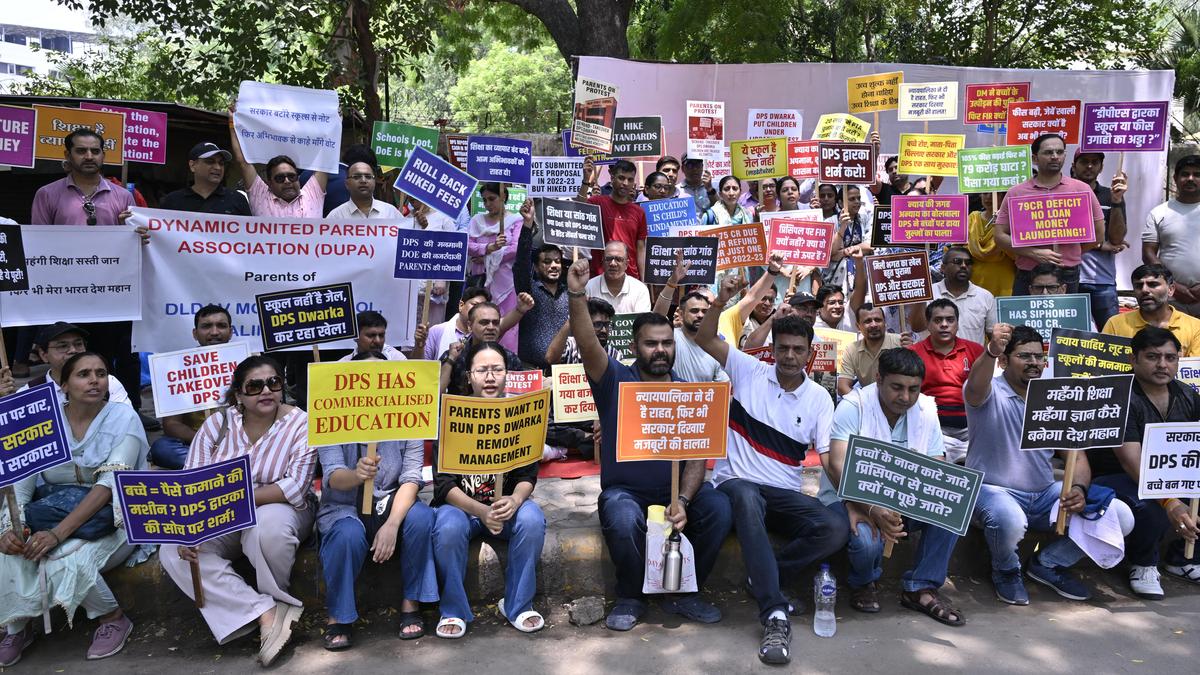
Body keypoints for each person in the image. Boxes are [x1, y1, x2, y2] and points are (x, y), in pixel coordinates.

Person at [565, 258, 732, 631]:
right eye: (651, 343)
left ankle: (685, 594)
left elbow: (696, 459)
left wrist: (683, 501)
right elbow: (588, 344)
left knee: (719, 507)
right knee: (623, 518)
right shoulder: (614, 380)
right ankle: (630, 596)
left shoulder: (689, 392)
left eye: (667, 343)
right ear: (634, 346)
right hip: (625, 492)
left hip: (676, 494)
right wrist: (576, 295)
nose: (660, 350)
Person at [693, 274, 848, 665]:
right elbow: (705, 338)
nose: (790, 356)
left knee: (835, 527)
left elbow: (829, 461)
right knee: (746, 495)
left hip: (784, 494)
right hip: (736, 484)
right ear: (773, 349)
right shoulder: (748, 369)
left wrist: (858, 505)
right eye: (783, 348)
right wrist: (721, 301)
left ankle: (763, 576)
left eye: (798, 349)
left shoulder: (819, 399)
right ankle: (774, 612)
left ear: (810, 353)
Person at [159, 355, 317, 666]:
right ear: (238, 395)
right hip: (221, 511)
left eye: (273, 383)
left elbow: (295, 488)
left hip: (279, 507)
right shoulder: (217, 424)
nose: (266, 391)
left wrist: (235, 498)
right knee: (173, 550)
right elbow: (193, 482)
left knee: (266, 528)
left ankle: (278, 600)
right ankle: (264, 612)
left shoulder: (302, 422)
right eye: (255, 386)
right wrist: (191, 528)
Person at [964, 324, 1133, 605]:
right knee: (1010, 519)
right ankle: (1006, 571)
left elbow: (1076, 456)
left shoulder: (1054, 396)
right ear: (1003, 361)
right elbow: (975, 385)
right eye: (1024, 356)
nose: (1033, 362)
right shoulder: (988, 392)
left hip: (1044, 496)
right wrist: (991, 350)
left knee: (1121, 516)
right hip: (992, 493)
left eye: (1038, 356)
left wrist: (1078, 488)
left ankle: (1048, 563)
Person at [0, 352, 148, 665]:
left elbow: (108, 486)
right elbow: (22, 483)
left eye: (101, 373)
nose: (95, 380)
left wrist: (57, 534)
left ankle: (112, 617)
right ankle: (18, 626)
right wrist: (9, 529)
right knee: (11, 550)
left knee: (66, 556)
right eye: (84, 374)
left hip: (117, 518)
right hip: (54, 510)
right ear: (64, 385)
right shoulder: (43, 421)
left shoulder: (124, 417)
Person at [824, 348, 964, 626]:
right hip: (851, 498)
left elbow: (935, 467)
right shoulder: (853, 405)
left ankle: (921, 588)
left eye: (913, 389)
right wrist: (870, 507)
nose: (906, 397)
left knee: (952, 507)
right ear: (879, 379)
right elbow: (838, 465)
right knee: (866, 541)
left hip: (905, 500)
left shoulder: (926, 409)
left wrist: (915, 499)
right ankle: (863, 582)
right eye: (897, 387)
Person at [317, 350, 437, 649]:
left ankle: (411, 603)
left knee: (422, 518)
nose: (372, 385)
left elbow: (411, 478)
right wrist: (356, 475)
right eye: (363, 378)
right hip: (344, 505)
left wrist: (392, 525)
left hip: (390, 502)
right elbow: (332, 476)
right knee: (346, 534)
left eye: (379, 377)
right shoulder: (330, 415)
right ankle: (339, 616)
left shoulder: (409, 416)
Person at [30, 128, 149, 430]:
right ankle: (71, 417)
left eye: (95, 151)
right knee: (72, 357)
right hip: (66, 295)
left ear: (103, 155)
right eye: (81, 150)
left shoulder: (123, 196)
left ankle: (128, 413)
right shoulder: (47, 194)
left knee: (121, 354)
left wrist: (135, 234)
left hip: (113, 295)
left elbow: (135, 245)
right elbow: (37, 244)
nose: (89, 156)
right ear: (67, 155)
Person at [431, 341, 546, 637]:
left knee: (532, 519)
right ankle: (453, 610)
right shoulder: (451, 414)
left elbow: (528, 474)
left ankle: (518, 605)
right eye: (482, 370)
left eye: (497, 369)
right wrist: (481, 511)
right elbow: (443, 485)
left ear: (507, 374)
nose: (491, 377)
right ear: (469, 376)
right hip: (462, 509)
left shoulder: (520, 412)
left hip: (505, 507)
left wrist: (516, 500)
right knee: (446, 528)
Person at [1088, 327, 1200, 598]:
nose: (1162, 365)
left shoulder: (1187, 395)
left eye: (1170, 358)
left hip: (1170, 473)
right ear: (1133, 359)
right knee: (1151, 504)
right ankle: (1143, 564)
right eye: (1152, 357)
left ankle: (1183, 558)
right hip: (1117, 477)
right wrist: (1169, 501)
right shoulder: (1118, 396)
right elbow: (1131, 461)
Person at [994, 133, 1105, 295]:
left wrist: (1071, 252)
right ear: (1034, 158)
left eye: (1059, 152)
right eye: (1048, 152)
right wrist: (1034, 253)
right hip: (1028, 271)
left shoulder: (1081, 189)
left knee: (1067, 313)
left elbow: (1099, 233)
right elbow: (999, 235)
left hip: (1067, 272)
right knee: (1023, 313)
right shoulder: (1016, 192)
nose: (1054, 157)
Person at [150, 305, 233, 469]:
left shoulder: (248, 364)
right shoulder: (177, 367)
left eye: (221, 326)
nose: (214, 332)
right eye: (206, 326)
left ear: (230, 332)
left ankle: (204, 467)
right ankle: (225, 465)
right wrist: (206, 442)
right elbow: (171, 424)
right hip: (195, 442)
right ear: (195, 333)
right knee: (162, 448)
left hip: (239, 441)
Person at [909, 299, 983, 463]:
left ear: (957, 323)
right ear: (928, 324)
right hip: (931, 426)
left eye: (950, 320)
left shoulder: (976, 350)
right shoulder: (913, 353)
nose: (944, 324)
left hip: (972, 426)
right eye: (938, 320)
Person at [228, 105, 327, 218]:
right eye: (280, 178)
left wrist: (334, 122)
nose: (287, 181)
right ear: (270, 183)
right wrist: (232, 122)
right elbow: (243, 162)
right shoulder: (260, 196)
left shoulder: (312, 194)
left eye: (292, 176)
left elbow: (325, 160)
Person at [1072, 150, 1128, 329]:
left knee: (1111, 336)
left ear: (1101, 167)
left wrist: (1117, 200)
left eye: (1095, 162)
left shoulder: (1110, 194)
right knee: (1070, 337)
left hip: (1102, 281)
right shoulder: (1062, 193)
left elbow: (1117, 239)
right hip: (1069, 278)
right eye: (1084, 161)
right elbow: (1060, 235)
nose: (1089, 166)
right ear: (1073, 166)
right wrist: (1100, 245)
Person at [467, 183, 526, 352]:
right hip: (481, 281)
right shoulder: (476, 220)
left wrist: (486, 257)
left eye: (492, 199)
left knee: (508, 325)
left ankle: (506, 361)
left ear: (503, 197)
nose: (487, 204)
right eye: (484, 200)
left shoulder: (516, 220)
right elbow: (468, 245)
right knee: (480, 320)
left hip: (506, 283)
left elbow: (515, 249)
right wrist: (489, 248)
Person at [21, 322, 131, 407]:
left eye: (78, 344)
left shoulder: (108, 383)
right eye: (63, 346)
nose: (73, 350)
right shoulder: (30, 392)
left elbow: (127, 422)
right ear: (43, 355)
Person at [1143, 154, 1200, 315]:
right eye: (1185, 174)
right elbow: (1148, 254)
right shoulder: (1159, 212)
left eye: (1197, 174)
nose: (1190, 178)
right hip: (1171, 297)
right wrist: (1172, 284)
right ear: (1175, 178)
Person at [513, 202, 567, 370]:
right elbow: (521, 263)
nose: (554, 266)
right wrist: (527, 225)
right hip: (531, 369)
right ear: (536, 267)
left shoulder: (570, 293)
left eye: (557, 261)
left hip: (565, 371)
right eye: (547, 261)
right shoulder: (528, 290)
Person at [1102, 264, 1200, 356]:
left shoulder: (1195, 327)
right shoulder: (1115, 324)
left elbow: (1195, 367)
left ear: (1170, 289)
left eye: (1153, 284)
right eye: (1138, 286)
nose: (1144, 290)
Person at [910, 246, 996, 346]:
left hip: (973, 356)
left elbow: (993, 336)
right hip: (934, 355)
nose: (963, 266)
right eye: (957, 261)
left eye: (968, 263)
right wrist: (922, 295)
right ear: (943, 268)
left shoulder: (985, 296)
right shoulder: (929, 293)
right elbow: (917, 327)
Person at [579, 158, 648, 279]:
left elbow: (641, 249)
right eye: (621, 178)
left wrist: (643, 280)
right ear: (612, 178)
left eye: (630, 179)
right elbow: (579, 208)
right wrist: (586, 180)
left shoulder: (639, 212)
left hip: (630, 277)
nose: (625, 183)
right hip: (600, 275)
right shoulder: (597, 203)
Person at [437, 302, 525, 396]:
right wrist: (450, 360)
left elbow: (521, 396)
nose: (491, 327)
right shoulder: (453, 356)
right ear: (470, 326)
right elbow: (436, 395)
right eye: (484, 323)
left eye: (495, 323)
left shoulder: (510, 358)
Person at [159, 142, 252, 215]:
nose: (218, 167)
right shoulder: (173, 201)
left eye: (221, 163)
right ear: (192, 165)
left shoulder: (237, 200)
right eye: (210, 162)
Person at [837, 304, 908, 396]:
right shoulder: (852, 349)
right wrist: (862, 401)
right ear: (858, 326)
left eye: (878, 320)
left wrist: (910, 351)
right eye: (868, 321)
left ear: (885, 322)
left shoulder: (901, 343)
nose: (873, 325)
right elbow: (842, 386)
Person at [966, 192, 1016, 298]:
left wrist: (1001, 228)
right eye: (985, 193)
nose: (988, 197)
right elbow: (960, 249)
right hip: (975, 279)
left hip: (1004, 280)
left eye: (995, 194)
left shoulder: (1012, 220)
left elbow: (1017, 254)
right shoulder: (972, 218)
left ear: (1004, 196)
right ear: (980, 195)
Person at [424, 287, 491, 362]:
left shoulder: (486, 333)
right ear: (461, 305)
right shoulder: (437, 331)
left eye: (483, 307)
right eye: (475, 305)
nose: (479, 311)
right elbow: (422, 365)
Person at [585, 241, 651, 314]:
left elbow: (644, 320)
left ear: (626, 264)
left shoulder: (640, 290)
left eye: (618, 259)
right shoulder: (589, 288)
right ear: (603, 262)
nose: (613, 263)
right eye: (609, 259)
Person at [326, 160, 402, 219]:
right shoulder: (336, 216)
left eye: (368, 177)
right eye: (356, 177)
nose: (363, 180)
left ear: (374, 181)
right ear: (347, 184)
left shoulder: (391, 212)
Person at [338, 310, 406, 361]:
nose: (378, 341)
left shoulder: (397, 359)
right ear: (356, 337)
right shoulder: (342, 365)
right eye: (371, 335)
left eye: (381, 335)